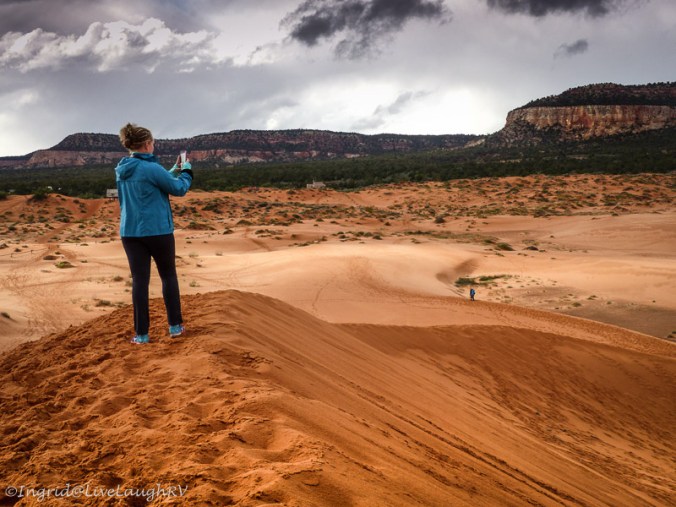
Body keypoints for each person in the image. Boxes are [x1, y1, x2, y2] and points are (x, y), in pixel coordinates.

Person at [115, 123, 193, 344]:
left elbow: (155, 182)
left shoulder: (122, 168)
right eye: (153, 143)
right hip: (158, 231)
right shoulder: (151, 167)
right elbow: (178, 189)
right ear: (147, 143)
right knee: (168, 275)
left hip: (130, 232)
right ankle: (175, 327)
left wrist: (173, 170)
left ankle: (141, 335)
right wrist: (187, 171)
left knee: (139, 281)